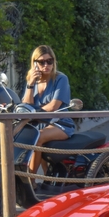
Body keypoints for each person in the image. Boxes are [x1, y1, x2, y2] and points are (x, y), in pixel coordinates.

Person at [21, 45, 75, 187]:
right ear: (34, 63)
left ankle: (30, 182)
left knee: (37, 137)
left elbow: (53, 107)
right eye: (41, 62)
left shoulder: (60, 79)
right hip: (38, 124)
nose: (46, 65)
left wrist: (33, 114)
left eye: (49, 61)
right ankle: (47, 181)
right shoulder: (32, 81)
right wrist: (30, 85)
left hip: (61, 124)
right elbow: (26, 105)